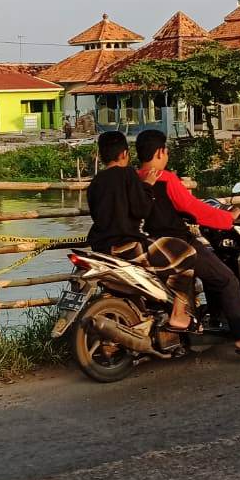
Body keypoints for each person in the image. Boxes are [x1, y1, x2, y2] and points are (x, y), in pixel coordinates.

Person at [135, 128, 240, 357]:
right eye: (165, 151)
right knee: (225, 279)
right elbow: (194, 209)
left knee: (211, 274)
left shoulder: (136, 179)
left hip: (149, 243)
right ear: (160, 153)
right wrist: (228, 217)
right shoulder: (167, 179)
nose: (166, 156)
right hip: (177, 244)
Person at [85, 131, 197, 333]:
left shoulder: (95, 182)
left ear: (101, 155)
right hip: (127, 247)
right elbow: (141, 209)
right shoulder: (127, 174)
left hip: (100, 246)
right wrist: (147, 186)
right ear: (125, 155)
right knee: (186, 253)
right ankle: (178, 315)